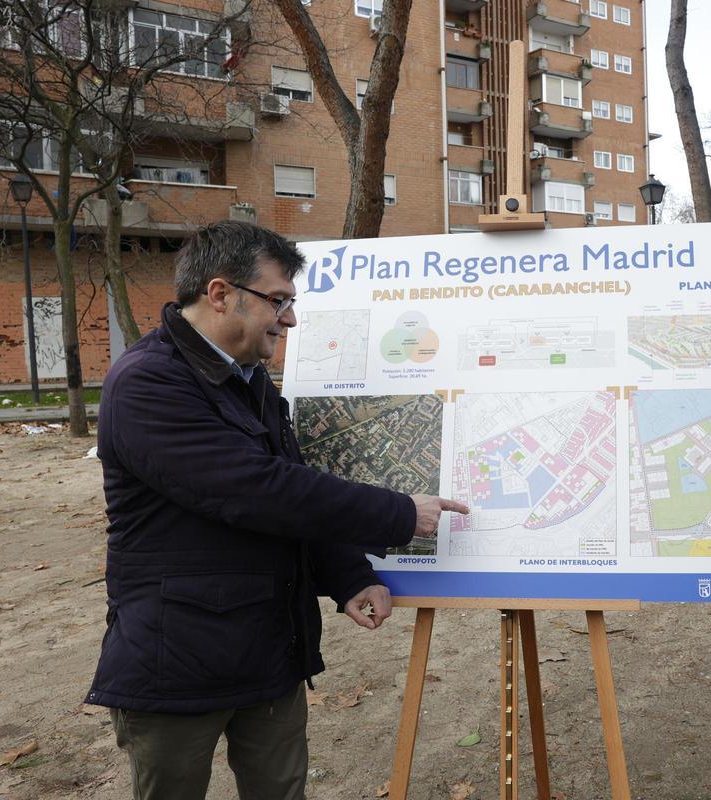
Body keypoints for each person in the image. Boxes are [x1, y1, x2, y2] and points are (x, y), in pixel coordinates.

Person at [86, 221, 468, 799]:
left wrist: (348, 575)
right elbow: (256, 490)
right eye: (278, 300)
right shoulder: (148, 382)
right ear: (221, 294)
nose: (288, 319)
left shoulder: (249, 381)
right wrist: (397, 513)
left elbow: (291, 495)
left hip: (267, 650)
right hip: (177, 661)